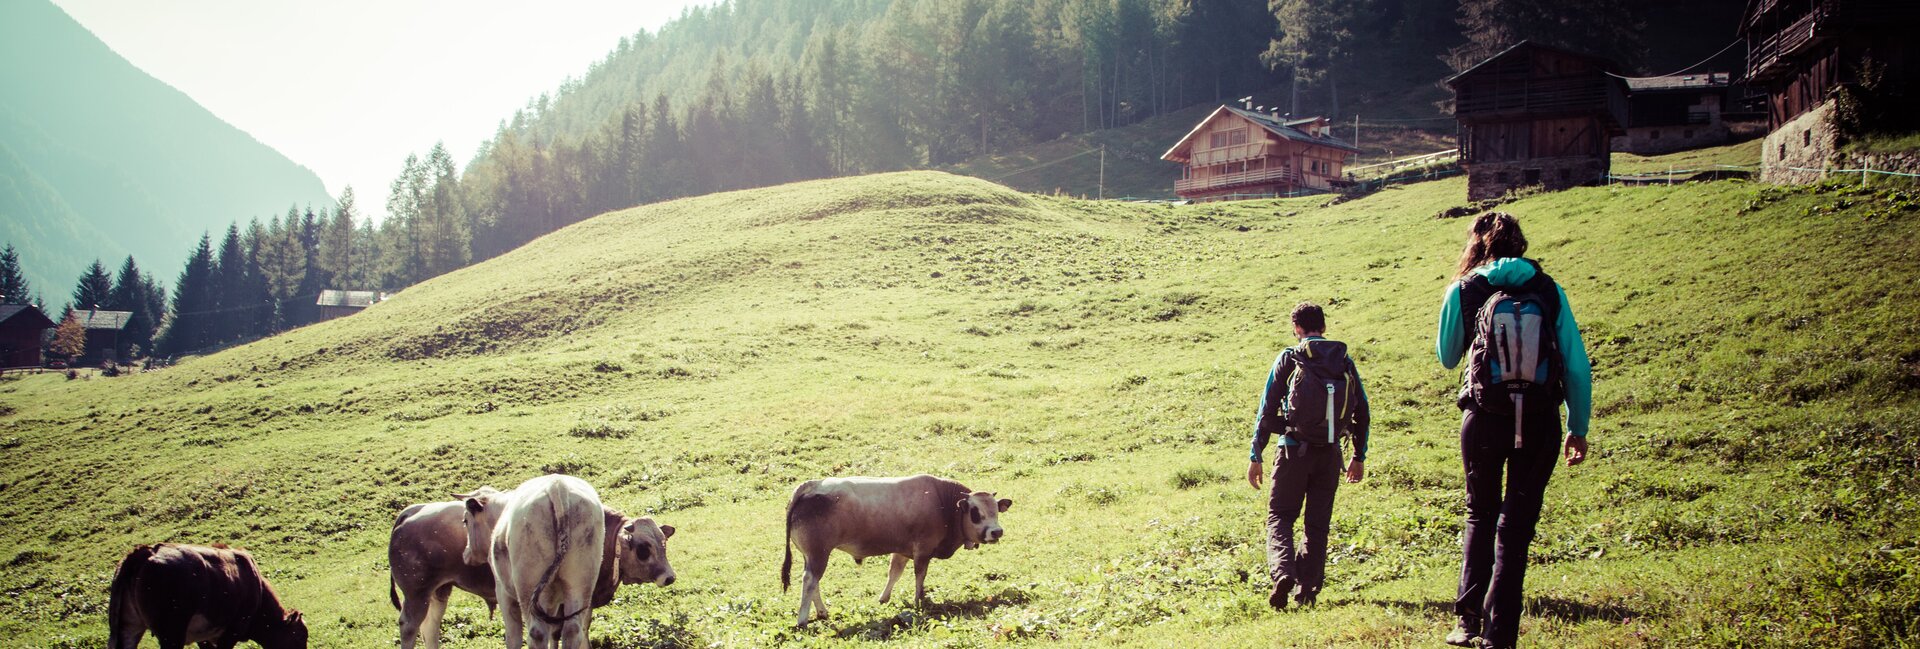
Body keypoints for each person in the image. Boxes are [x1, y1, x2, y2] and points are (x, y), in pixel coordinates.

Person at [1435, 212, 1592, 649]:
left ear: (1477, 245)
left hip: (1484, 417)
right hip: (1540, 419)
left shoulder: (1465, 289)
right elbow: (1578, 367)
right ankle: (1501, 633)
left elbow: (1448, 357)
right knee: (1517, 525)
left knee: (1479, 515)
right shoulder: (1549, 289)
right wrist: (1577, 428)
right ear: (1520, 243)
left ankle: (1466, 623)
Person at [1247, 301, 1370, 610]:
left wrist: (1256, 453)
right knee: (1317, 525)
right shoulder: (1343, 361)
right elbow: (1363, 411)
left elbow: (1266, 410)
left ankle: (1283, 573)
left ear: (1296, 329)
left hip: (1292, 451)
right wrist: (1359, 456)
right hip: (1330, 454)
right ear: (1323, 328)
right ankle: (1308, 589)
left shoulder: (1291, 358)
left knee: (1280, 516)